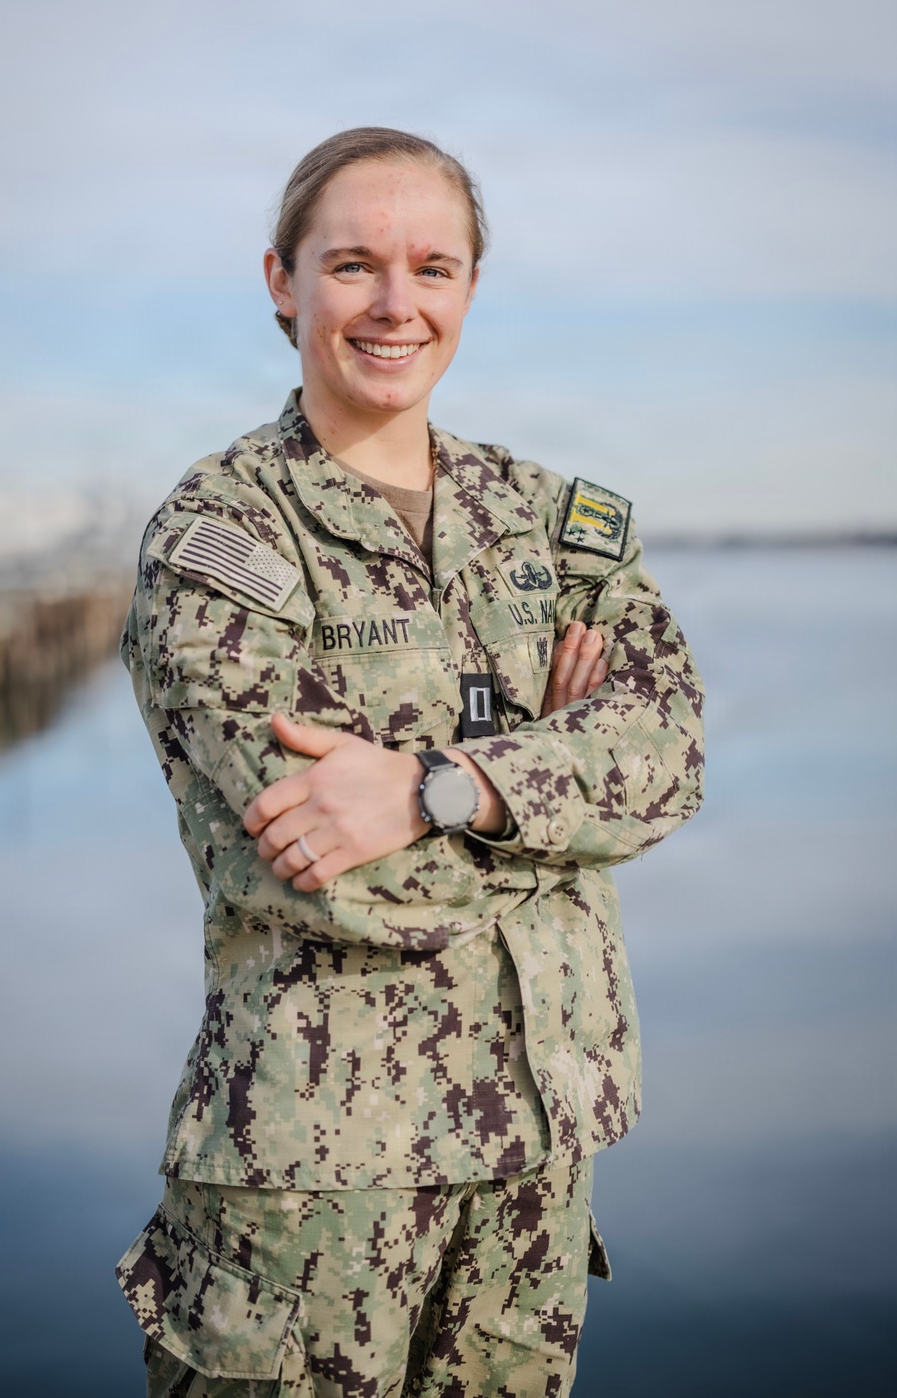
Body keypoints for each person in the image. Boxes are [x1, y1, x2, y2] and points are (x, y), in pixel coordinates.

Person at [115, 126, 704, 1397]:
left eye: (433, 267)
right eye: (354, 266)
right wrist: (556, 787)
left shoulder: (556, 524)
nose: (396, 305)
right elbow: (333, 873)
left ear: (471, 289)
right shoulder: (221, 538)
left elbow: (669, 756)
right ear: (282, 281)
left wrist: (442, 786)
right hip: (310, 1186)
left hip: (538, 1156)